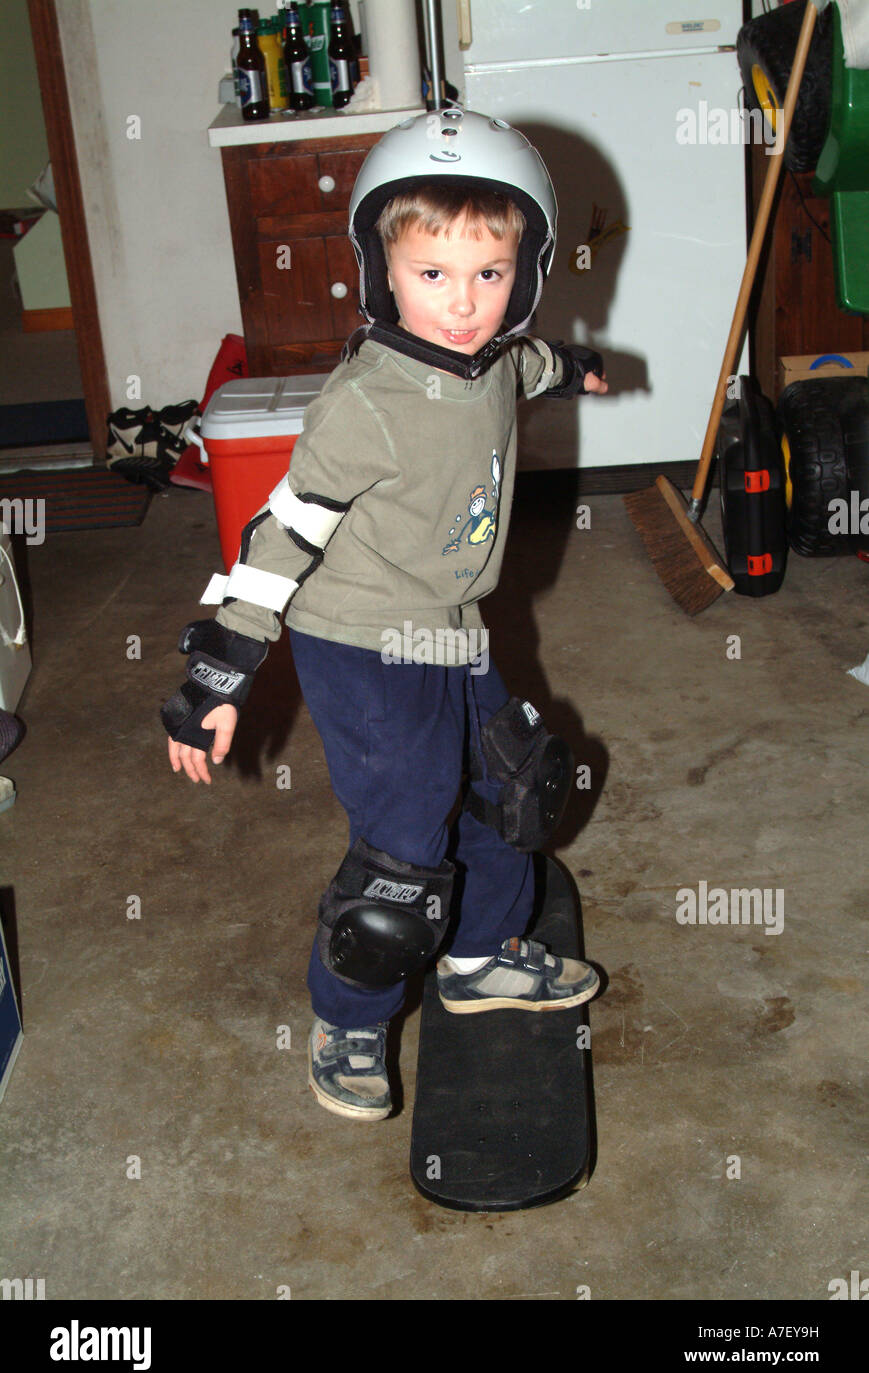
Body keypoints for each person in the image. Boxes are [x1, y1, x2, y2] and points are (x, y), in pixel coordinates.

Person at [162, 109, 608, 1122]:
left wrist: (573, 367)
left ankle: (481, 956)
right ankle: (351, 1014)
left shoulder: (494, 357)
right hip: (360, 641)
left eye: (488, 275)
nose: (461, 305)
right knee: (403, 845)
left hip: (450, 620)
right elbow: (281, 534)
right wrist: (219, 673)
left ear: (524, 276)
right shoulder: (364, 402)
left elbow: (523, 366)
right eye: (431, 274)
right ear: (382, 274)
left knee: (506, 790)